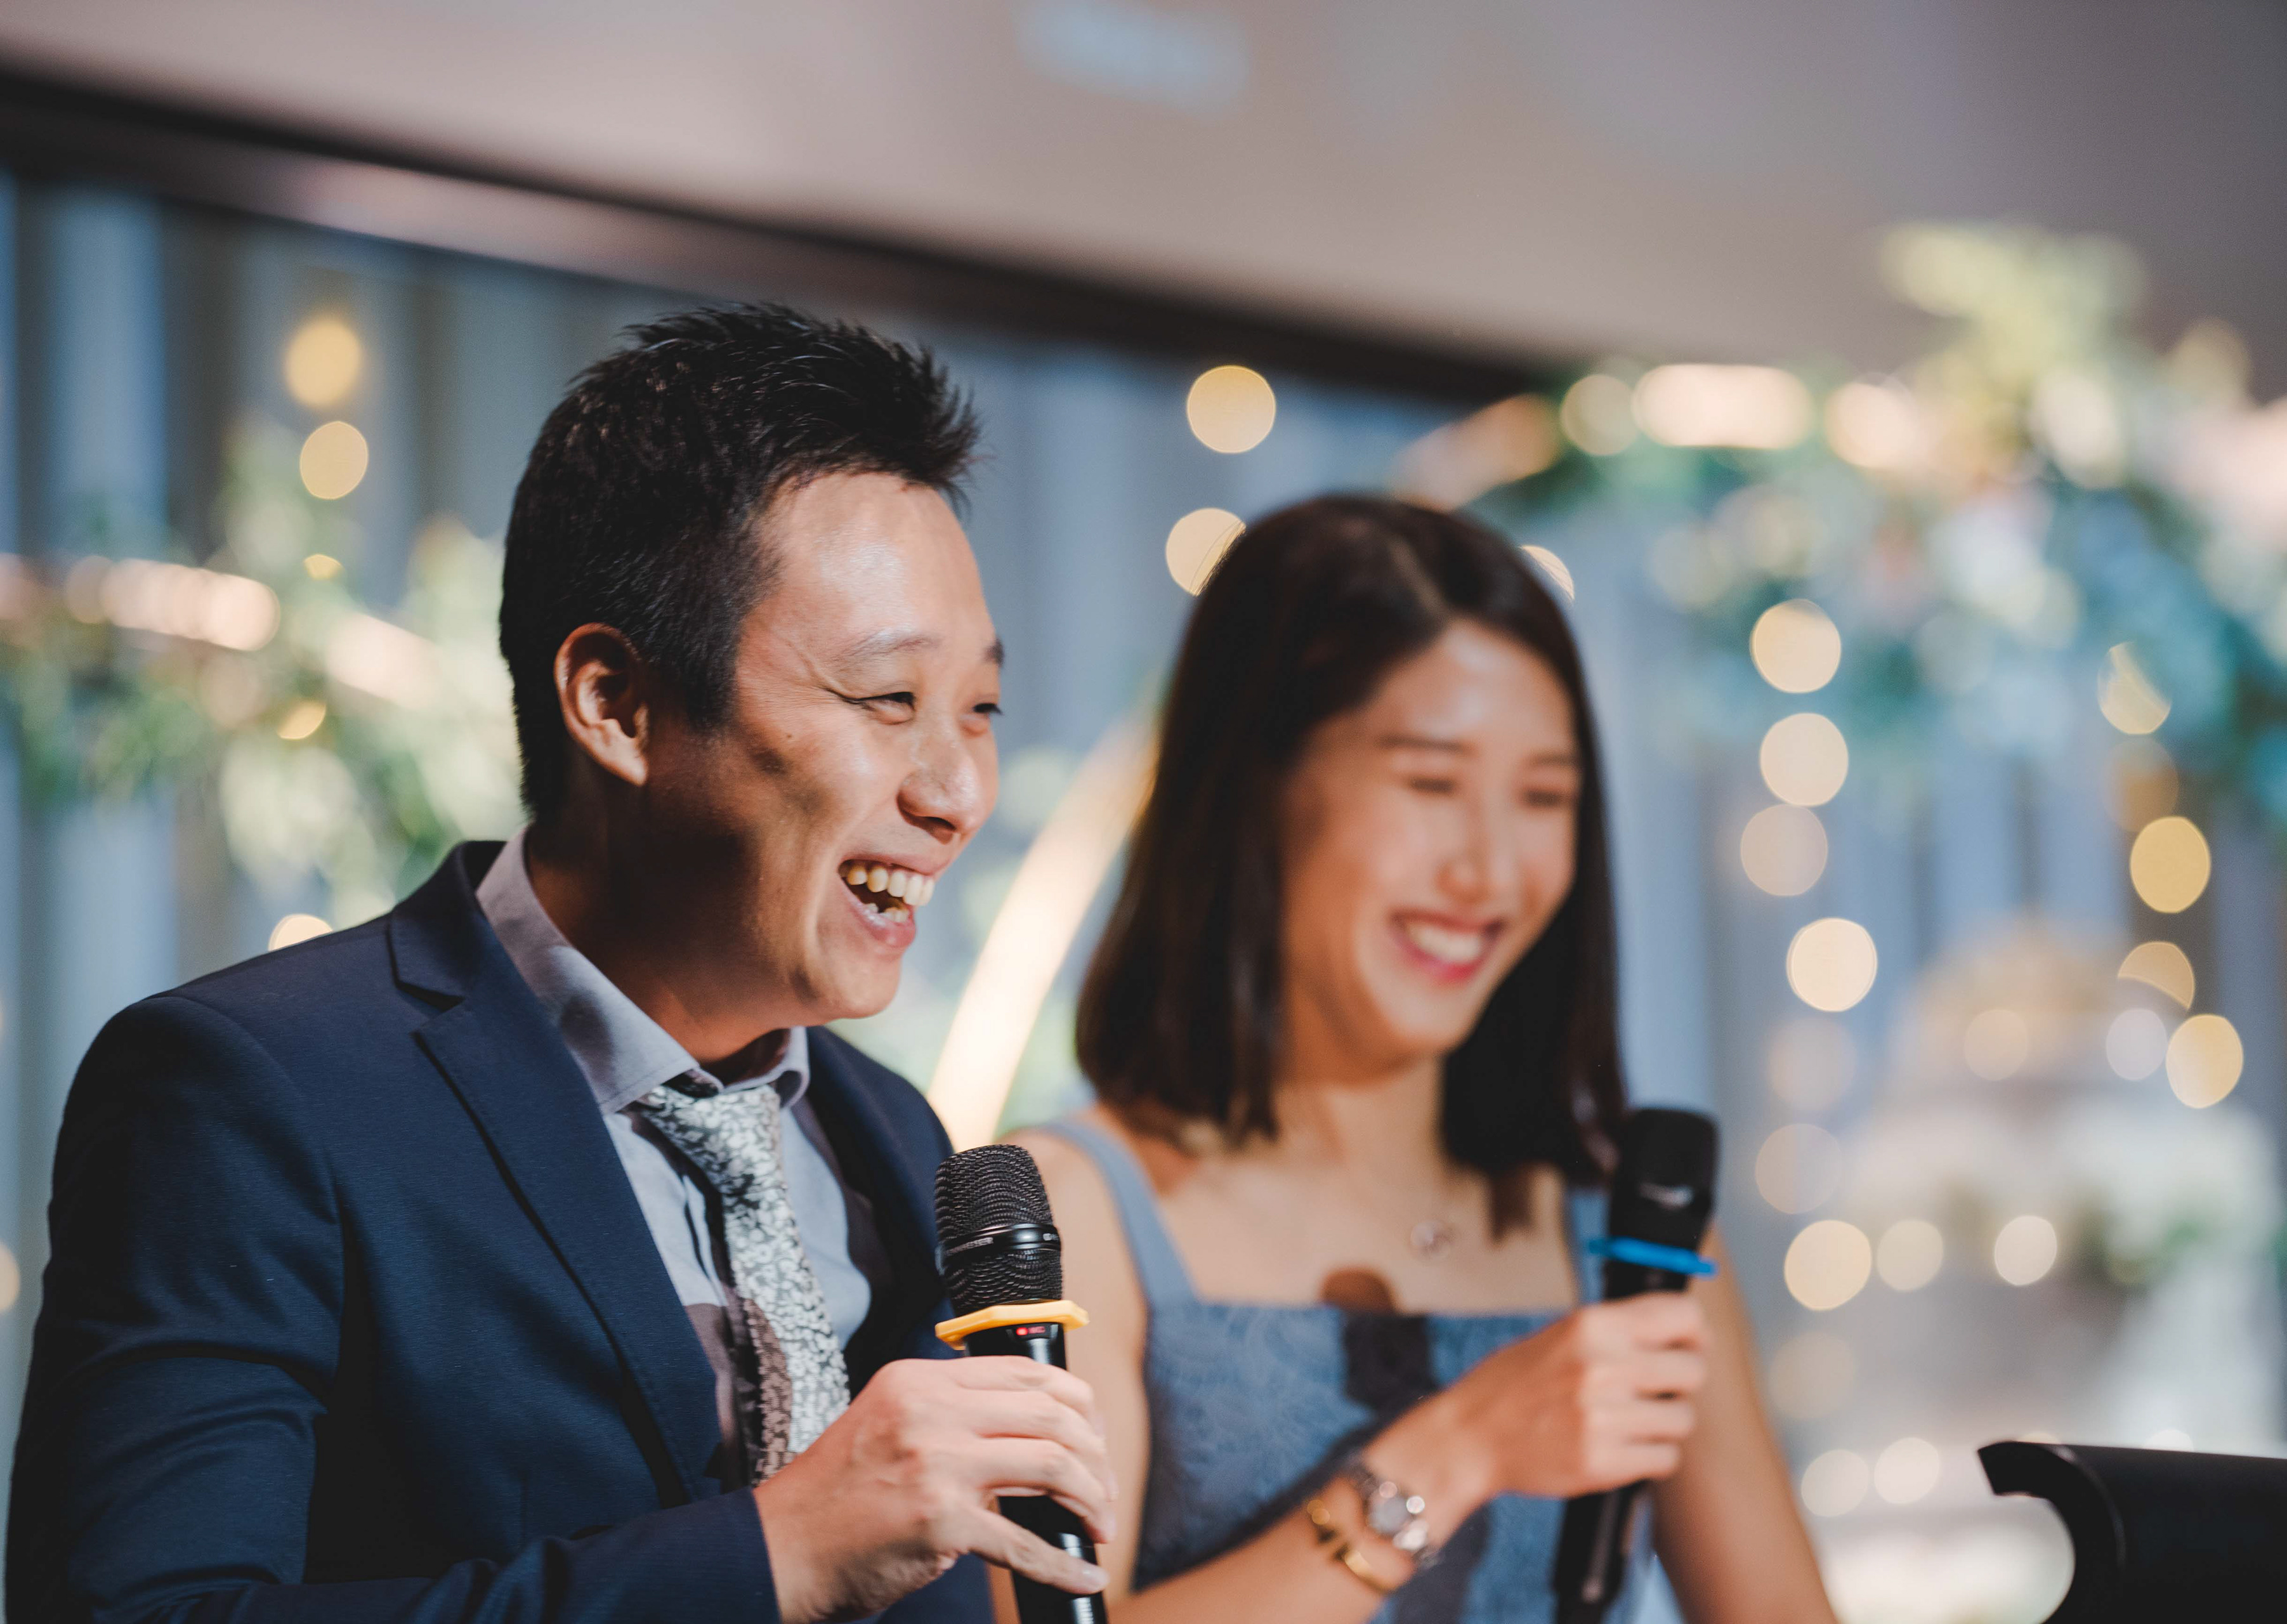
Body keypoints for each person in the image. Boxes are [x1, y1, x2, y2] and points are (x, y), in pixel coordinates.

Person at [9, 306, 1116, 1624]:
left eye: (980, 710)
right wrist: (774, 1553)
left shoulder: (897, 1132)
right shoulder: (251, 1090)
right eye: (889, 699)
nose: (958, 793)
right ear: (615, 704)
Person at [1015, 497, 1834, 1624]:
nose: (1488, 872)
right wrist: (1457, 1451)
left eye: (1544, 798)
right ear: (1256, 788)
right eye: (1431, 784)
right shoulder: (1074, 1208)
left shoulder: (1623, 1226)